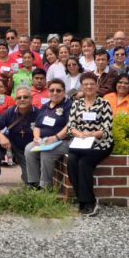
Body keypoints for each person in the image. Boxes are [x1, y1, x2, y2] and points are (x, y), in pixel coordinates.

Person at [66, 73, 114, 216]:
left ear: (97, 86)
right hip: (81, 142)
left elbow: (106, 128)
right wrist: (80, 134)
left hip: (100, 143)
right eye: (86, 84)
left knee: (84, 163)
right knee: (72, 161)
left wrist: (91, 134)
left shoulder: (104, 104)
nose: (89, 86)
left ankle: (89, 202)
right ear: (81, 86)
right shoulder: (76, 104)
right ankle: (82, 199)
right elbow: (70, 126)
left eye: (92, 84)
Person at [0, 86, 38, 187]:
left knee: (31, 183)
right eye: (19, 98)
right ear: (15, 100)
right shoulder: (10, 111)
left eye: (25, 97)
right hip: (11, 146)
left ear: (31, 98)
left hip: (29, 151)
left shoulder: (38, 113)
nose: (22, 99)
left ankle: (26, 177)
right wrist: (2, 137)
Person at [26, 78, 72, 190]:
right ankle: (34, 183)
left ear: (64, 91)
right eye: (52, 90)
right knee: (29, 149)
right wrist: (36, 138)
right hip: (44, 140)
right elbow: (37, 126)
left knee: (47, 153)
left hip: (63, 141)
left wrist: (55, 138)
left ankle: (45, 187)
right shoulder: (45, 106)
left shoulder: (69, 105)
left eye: (58, 90)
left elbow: (70, 125)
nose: (54, 93)